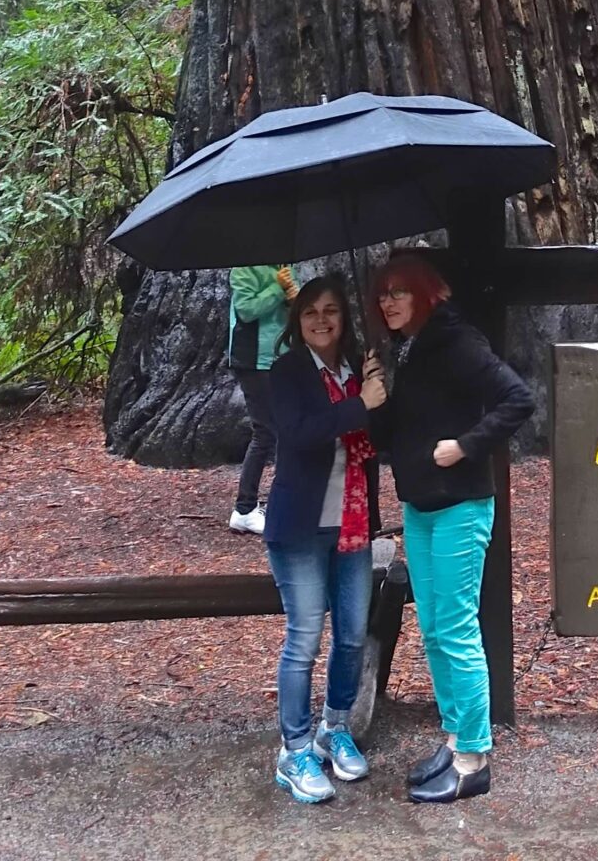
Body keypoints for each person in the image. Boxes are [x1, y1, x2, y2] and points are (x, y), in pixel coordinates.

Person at [368, 251, 534, 805]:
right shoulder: (407, 349)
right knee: (436, 630)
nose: (388, 301)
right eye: (383, 293)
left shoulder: (457, 339)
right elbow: (395, 433)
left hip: (461, 505)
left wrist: (465, 446)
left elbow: (518, 398)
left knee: (457, 629)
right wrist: (375, 402)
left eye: (399, 291)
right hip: (420, 506)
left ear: (423, 291)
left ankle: (474, 757)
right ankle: (455, 736)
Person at [264, 271, 388, 805]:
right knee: (304, 639)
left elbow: (378, 439)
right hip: (299, 527)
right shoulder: (288, 371)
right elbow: (300, 433)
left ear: (343, 317)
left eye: (331, 309)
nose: (321, 319)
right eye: (312, 310)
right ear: (299, 319)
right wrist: (361, 405)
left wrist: (380, 393)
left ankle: (334, 727)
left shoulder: (359, 370)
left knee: (354, 635)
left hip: (353, 524)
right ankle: (293, 751)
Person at [226, 264, 297, 533]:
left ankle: (283, 501)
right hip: (254, 361)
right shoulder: (244, 269)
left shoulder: (283, 267)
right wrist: (277, 289)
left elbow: (295, 306)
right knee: (265, 432)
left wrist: (293, 297)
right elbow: (246, 309)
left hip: (283, 357)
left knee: (287, 430)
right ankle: (244, 508)